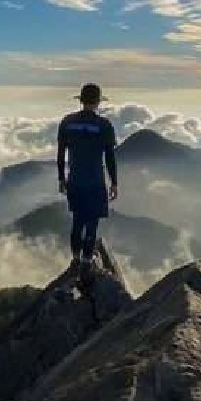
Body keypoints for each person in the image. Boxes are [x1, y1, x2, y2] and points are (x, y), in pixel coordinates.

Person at [57, 83, 118, 270]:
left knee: (77, 220)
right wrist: (114, 182)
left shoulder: (67, 123)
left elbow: (61, 154)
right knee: (92, 222)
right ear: (98, 102)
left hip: (75, 179)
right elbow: (109, 156)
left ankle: (75, 258)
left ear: (81, 100)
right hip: (95, 181)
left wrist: (61, 178)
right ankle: (86, 260)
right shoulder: (104, 126)